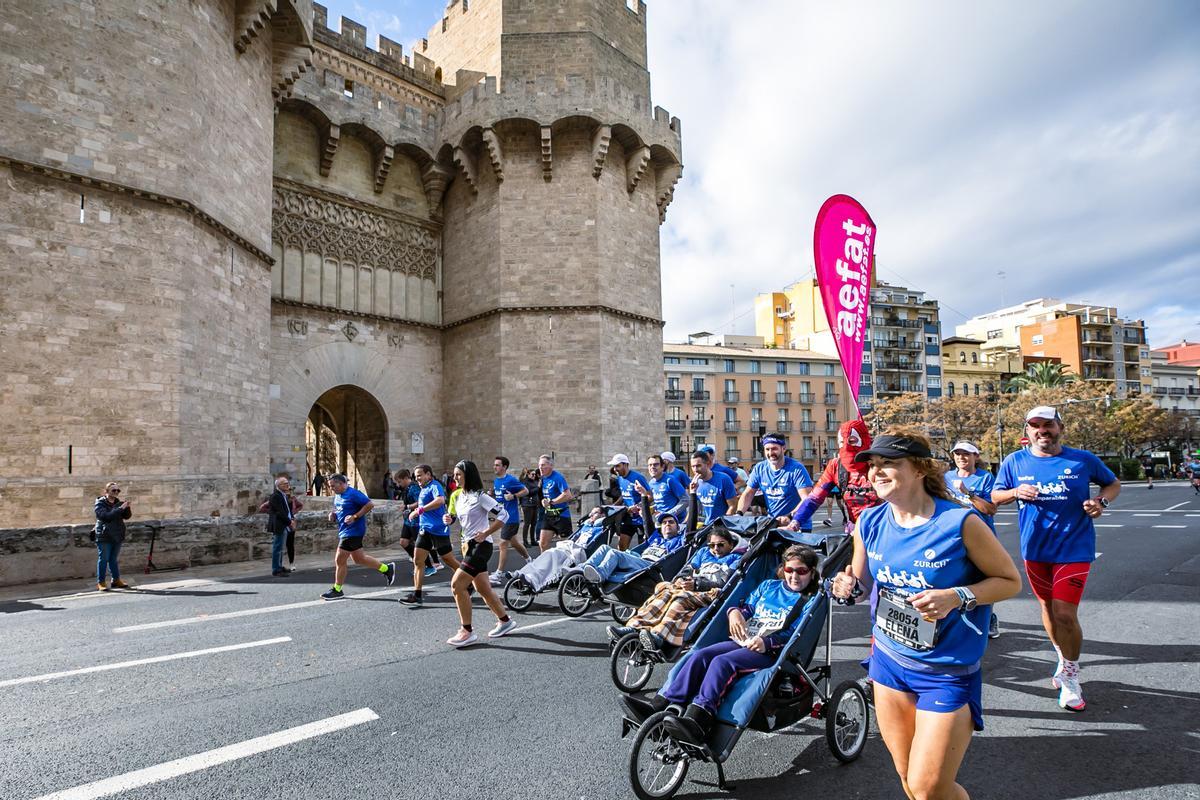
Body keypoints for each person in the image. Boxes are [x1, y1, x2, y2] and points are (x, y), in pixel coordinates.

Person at [832, 429, 1022, 800]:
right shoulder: (869, 521)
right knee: (908, 779)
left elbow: (1009, 581)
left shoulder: (960, 523)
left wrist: (957, 595)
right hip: (888, 663)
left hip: (946, 672)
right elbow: (862, 583)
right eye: (873, 465)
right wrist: (846, 585)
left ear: (919, 469)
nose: (877, 472)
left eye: (889, 463)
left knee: (928, 786)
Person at [992, 406, 1120, 712]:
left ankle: (1072, 675)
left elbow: (1112, 484)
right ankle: (1063, 657)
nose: (1041, 431)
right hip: (1035, 549)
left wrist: (1100, 502)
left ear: (1059, 427)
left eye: (1047, 424)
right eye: (1034, 426)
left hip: (1074, 548)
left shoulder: (1082, 459)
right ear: (1027, 431)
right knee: (1047, 608)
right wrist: (1015, 492)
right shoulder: (1015, 461)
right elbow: (995, 496)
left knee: (1065, 613)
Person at [621, 545, 820, 743]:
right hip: (745, 639)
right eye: (789, 570)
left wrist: (768, 642)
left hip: (769, 651)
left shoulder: (809, 599)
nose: (794, 576)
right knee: (699, 656)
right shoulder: (769, 586)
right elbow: (747, 609)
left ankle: (700, 717)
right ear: (782, 569)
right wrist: (734, 613)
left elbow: (796, 633)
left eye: (801, 571)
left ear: (811, 572)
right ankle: (659, 705)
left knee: (722, 663)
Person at [607, 526, 743, 650]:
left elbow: (725, 582)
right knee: (664, 590)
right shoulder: (703, 553)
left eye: (720, 545)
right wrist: (681, 579)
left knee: (680, 598)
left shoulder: (735, 558)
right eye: (712, 545)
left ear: (730, 545)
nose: (715, 549)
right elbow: (688, 569)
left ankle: (659, 636)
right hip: (690, 586)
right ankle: (633, 627)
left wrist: (697, 585)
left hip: (711, 591)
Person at [442, 460, 518, 647]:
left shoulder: (480, 496)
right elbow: (457, 518)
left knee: (457, 585)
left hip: (481, 547)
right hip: (467, 545)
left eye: (459, 474)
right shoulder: (459, 496)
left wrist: (486, 533)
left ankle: (466, 631)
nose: (455, 477)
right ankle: (505, 621)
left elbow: (503, 515)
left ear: (469, 475)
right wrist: (449, 519)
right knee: (483, 588)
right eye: (454, 474)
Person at [943, 441, 1000, 639]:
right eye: (957, 454)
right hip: (953, 536)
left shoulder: (985, 478)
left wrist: (968, 493)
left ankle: (989, 617)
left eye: (966, 454)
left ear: (976, 456)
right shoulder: (946, 477)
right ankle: (953, 618)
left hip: (981, 537)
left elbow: (991, 509)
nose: (961, 457)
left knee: (983, 579)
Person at [787, 419, 880, 533]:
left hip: (885, 530)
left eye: (852, 441)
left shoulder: (880, 463)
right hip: (856, 532)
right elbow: (814, 498)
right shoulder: (835, 466)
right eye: (841, 442)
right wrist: (795, 522)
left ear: (864, 440)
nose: (846, 447)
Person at [320, 473, 396, 600]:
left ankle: (337, 589)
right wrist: (333, 514)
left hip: (353, 531)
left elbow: (369, 504)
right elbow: (340, 509)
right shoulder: (338, 496)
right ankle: (386, 568)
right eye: (330, 486)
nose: (331, 488)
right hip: (345, 531)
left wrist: (355, 517)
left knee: (339, 560)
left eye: (333, 486)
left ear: (342, 483)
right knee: (359, 559)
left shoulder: (353, 493)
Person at [400, 465, 460, 606]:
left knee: (449, 560)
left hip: (438, 530)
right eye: (416, 476)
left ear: (428, 474)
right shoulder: (423, 488)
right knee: (418, 561)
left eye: (420, 475)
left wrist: (419, 510)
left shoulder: (435, 485)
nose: (417, 478)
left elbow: (440, 500)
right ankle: (417, 594)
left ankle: (469, 579)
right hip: (424, 530)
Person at [579, 511, 687, 585]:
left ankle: (601, 574)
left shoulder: (679, 540)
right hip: (637, 558)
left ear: (677, 528)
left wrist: (692, 493)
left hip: (652, 566)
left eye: (671, 522)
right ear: (661, 527)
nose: (667, 524)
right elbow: (647, 523)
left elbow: (690, 526)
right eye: (664, 523)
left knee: (614, 554)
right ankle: (581, 569)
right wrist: (644, 496)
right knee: (604, 548)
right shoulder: (656, 538)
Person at [737, 433, 813, 525]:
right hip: (772, 523)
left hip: (797, 523)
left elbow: (806, 499)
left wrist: (789, 516)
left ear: (783, 448)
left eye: (774, 449)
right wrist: (739, 514)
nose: (770, 453)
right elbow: (748, 493)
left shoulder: (797, 468)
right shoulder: (759, 468)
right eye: (767, 449)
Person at [492, 456, 531, 572]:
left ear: (504, 467)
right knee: (514, 542)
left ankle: (499, 573)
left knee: (503, 543)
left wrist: (513, 496)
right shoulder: (496, 480)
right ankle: (529, 560)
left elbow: (526, 491)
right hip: (502, 517)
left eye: (497, 465)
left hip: (511, 517)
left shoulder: (511, 480)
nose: (495, 467)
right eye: (494, 465)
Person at [93, 481, 132, 591]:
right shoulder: (100, 503)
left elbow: (127, 517)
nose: (116, 492)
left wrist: (127, 507)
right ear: (106, 491)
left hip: (117, 534)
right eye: (113, 490)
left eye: (117, 490)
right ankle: (101, 582)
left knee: (113, 559)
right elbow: (105, 516)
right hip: (104, 534)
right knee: (103, 559)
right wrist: (120, 509)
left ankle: (116, 580)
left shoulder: (118, 502)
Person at [608, 453, 651, 549]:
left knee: (643, 548)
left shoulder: (638, 477)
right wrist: (614, 506)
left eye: (617, 466)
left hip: (641, 518)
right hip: (628, 517)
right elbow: (624, 495)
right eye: (614, 466)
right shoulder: (619, 478)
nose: (615, 469)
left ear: (625, 464)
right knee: (621, 546)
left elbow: (650, 496)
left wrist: (638, 506)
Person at [637, 453, 689, 527]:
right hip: (661, 522)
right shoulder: (651, 483)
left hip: (676, 523)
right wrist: (646, 510)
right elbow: (661, 503)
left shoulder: (670, 480)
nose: (652, 467)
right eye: (650, 465)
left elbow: (686, 500)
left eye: (656, 464)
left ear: (662, 467)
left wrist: (668, 514)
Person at [688, 451, 738, 525]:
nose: (695, 470)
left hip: (722, 526)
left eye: (698, 466)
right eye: (693, 466)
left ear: (707, 464)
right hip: (706, 526)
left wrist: (722, 524)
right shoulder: (695, 483)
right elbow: (694, 509)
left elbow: (733, 506)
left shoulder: (723, 479)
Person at [537, 454, 574, 553]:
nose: (540, 467)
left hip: (561, 515)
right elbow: (546, 495)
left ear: (551, 466)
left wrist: (552, 502)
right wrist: (543, 501)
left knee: (566, 546)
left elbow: (568, 495)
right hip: (548, 515)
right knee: (543, 543)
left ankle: (570, 566)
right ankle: (545, 566)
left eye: (543, 465)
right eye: (540, 465)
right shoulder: (543, 478)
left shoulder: (558, 477)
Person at [265, 476, 295, 578]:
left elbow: (287, 510)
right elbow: (279, 512)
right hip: (279, 525)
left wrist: (292, 519)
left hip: (284, 524)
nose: (287, 485)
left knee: (281, 547)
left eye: (287, 483)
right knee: (277, 547)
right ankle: (276, 569)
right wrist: (289, 522)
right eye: (284, 484)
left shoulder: (283, 495)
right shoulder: (275, 496)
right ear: (278, 485)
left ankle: (279, 566)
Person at [520, 468, 541, 547]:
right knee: (527, 524)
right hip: (527, 505)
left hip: (535, 505)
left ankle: (533, 540)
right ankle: (525, 542)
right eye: (532, 474)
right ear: (528, 474)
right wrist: (538, 487)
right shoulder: (525, 482)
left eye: (535, 474)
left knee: (534, 523)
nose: (534, 476)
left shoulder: (535, 481)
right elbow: (529, 492)